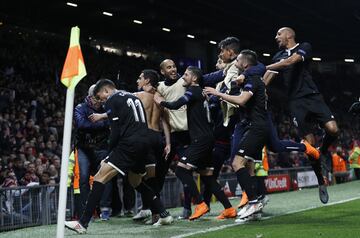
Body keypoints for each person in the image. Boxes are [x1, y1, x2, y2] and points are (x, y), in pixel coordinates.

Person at [65, 79, 173, 234]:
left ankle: (82, 224)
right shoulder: (132, 97)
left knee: (99, 178)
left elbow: (115, 132)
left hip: (129, 144)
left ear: (107, 90)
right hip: (145, 142)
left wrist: (108, 154)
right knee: (135, 181)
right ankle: (163, 214)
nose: (102, 100)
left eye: (101, 96)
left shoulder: (112, 99)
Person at [265, 27, 339, 203]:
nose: (276, 37)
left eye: (279, 34)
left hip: (312, 96)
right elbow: (266, 79)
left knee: (333, 129)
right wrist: (255, 87)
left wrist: (264, 65)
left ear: (289, 35)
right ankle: (321, 182)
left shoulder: (304, 47)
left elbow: (291, 62)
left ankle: (323, 150)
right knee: (309, 146)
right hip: (295, 102)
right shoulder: (277, 57)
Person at [155, 66, 236, 220]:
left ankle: (200, 204)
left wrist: (161, 102)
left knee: (180, 170)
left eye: (186, 75)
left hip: (200, 139)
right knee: (207, 176)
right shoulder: (199, 93)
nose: (183, 77)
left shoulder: (192, 91)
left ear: (194, 79)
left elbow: (176, 104)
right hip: (207, 137)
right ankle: (229, 208)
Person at [204, 50, 269, 222]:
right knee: (243, 163)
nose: (235, 62)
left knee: (238, 162)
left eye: (238, 60)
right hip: (253, 126)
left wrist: (217, 94)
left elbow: (241, 101)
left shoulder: (252, 78)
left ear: (245, 63)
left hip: (255, 126)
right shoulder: (248, 77)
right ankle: (256, 201)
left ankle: (254, 201)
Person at [132, 69, 171, 224]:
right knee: (152, 179)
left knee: (141, 179)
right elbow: (166, 123)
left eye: (140, 78)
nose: (137, 80)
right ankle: (153, 212)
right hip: (158, 139)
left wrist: (101, 115)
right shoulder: (160, 98)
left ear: (147, 80)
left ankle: (157, 213)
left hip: (145, 137)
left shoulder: (138, 96)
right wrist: (168, 143)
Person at [73, 85, 112, 220]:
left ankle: (105, 209)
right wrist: (102, 123)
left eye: (100, 98)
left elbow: (112, 122)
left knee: (105, 176)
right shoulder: (80, 108)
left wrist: (99, 120)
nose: (99, 101)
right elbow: (81, 124)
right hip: (84, 148)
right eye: (96, 98)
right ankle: (86, 211)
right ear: (90, 96)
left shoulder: (107, 107)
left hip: (101, 147)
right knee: (83, 178)